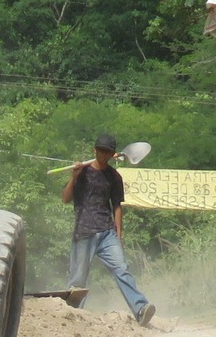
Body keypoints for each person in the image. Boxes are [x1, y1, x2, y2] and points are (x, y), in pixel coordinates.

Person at [62, 133, 155, 325]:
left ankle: (140, 308)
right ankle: (71, 317)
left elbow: (117, 206)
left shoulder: (114, 177)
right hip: (84, 231)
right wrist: (73, 177)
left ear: (113, 154)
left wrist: (118, 235)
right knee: (78, 278)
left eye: (107, 152)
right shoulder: (82, 173)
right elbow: (65, 198)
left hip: (107, 232)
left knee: (122, 269)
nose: (102, 154)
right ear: (94, 150)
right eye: (100, 150)